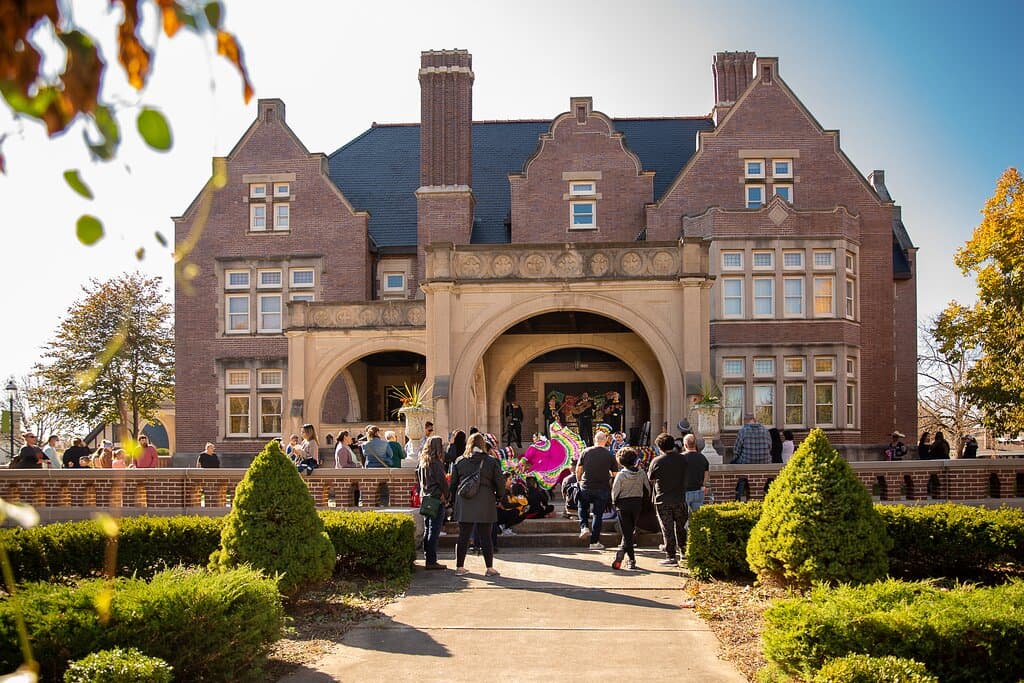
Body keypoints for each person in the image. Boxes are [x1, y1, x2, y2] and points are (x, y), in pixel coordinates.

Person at [450, 432, 505, 577]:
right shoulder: (491, 461)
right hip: (485, 500)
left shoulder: (459, 461)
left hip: (465, 501)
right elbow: (500, 483)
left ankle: (460, 567)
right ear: (483, 444)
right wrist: (499, 497)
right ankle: (489, 568)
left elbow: (454, 484)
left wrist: (453, 502)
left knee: (463, 535)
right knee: (486, 536)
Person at [648, 432, 689, 566]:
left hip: (662, 499)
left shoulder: (657, 461)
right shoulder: (682, 459)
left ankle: (671, 556)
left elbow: (651, 478)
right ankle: (684, 552)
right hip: (679, 498)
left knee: (667, 528)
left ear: (660, 447)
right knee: (681, 527)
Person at [611, 445, 651, 571]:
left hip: (623, 505)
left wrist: (613, 502)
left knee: (627, 533)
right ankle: (624, 552)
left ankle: (630, 559)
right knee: (630, 530)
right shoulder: (641, 473)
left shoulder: (621, 475)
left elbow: (615, 492)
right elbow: (648, 489)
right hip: (637, 503)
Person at [575, 430, 617, 550]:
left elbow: (579, 470)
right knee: (598, 515)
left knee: (582, 506)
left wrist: (579, 481)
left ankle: (584, 527)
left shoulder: (586, 451)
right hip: (602, 488)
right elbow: (615, 474)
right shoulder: (610, 455)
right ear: (605, 441)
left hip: (586, 486)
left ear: (595, 440)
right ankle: (594, 542)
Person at [417, 434, 450, 570]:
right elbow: (442, 482)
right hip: (436, 498)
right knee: (434, 531)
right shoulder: (435, 463)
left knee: (428, 529)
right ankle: (431, 561)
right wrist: (447, 496)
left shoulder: (423, 461)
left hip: (426, 498)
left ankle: (428, 558)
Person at [681, 433, 710, 520]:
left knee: (683, 519)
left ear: (685, 445)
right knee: (697, 519)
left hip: (684, 492)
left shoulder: (681, 458)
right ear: (695, 444)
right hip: (698, 491)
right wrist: (703, 485)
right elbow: (706, 475)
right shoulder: (703, 458)